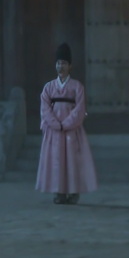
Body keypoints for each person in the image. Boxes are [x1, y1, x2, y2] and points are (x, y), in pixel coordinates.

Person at [36, 43, 98, 204]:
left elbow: (80, 109)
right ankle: (59, 192)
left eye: (63, 63)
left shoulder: (77, 87)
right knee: (56, 161)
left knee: (72, 161)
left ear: (70, 66)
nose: (60, 66)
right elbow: (45, 109)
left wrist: (66, 124)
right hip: (55, 131)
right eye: (58, 63)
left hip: (72, 130)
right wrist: (56, 124)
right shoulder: (49, 87)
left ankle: (73, 192)